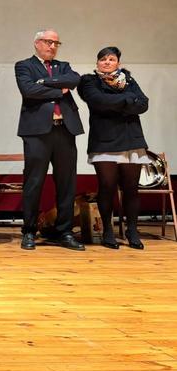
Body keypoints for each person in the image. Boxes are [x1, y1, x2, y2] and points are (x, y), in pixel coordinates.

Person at [15, 29, 85, 251]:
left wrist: (45, 82)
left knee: (66, 182)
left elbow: (75, 79)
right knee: (34, 181)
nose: (52, 46)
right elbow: (28, 90)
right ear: (36, 43)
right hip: (37, 131)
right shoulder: (24, 65)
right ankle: (29, 231)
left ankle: (64, 231)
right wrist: (58, 89)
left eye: (56, 43)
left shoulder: (63, 66)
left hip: (64, 129)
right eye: (48, 42)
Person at [78, 47, 149, 249]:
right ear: (97, 63)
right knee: (107, 187)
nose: (107, 62)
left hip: (131, 139)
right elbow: (99, 102)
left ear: (118, 62)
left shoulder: (129, 80)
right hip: (104, 141)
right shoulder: (88, 81)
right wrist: (128, 100)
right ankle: (107, 230)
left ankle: (132, 231)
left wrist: (119, 103)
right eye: (103, 59)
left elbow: (144, 104)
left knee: (131, 189)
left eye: (111, 59)